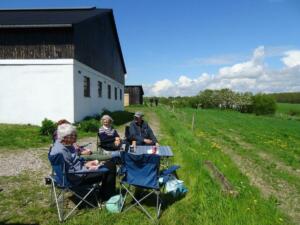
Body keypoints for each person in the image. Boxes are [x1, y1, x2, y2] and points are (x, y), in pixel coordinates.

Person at [49, 123, 116, 201]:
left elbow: (72, 163)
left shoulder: (60, 144)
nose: (76, 136)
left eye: (75, 134)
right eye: (73, 135)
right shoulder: (62, 152)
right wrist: (90, 168)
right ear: (65, 137)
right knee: (111, 166)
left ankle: (105, 193)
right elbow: (72, 172)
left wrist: (86, 164)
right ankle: (107, 197)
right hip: (76, 179)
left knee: (107, 164)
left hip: (65, 177)